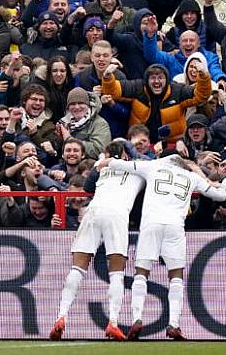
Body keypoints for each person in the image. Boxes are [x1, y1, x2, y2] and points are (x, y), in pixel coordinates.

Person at [100, 153, 226, 340]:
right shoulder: (192, 176)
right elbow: (221, 195)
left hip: (151, 224)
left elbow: (122, 165)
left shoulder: (153, 166)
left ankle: (137, 319)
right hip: (175, 227)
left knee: (141, 273)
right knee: (176, 276)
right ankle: (173, 324)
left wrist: (105, 162)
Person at [50, 141, 145, 341]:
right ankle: (113, 322)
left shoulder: (101, 168)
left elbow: (87, 186)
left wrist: (101, 163)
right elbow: (147, 161)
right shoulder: (138, 169)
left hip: (93, 211)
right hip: (117, 214)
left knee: (77, 269)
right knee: (117, 272)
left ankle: (61, 316)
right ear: (127, 155)